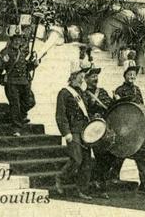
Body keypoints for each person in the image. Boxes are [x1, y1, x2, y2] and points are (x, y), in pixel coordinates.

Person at [54, 61, 93, 200]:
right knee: (76, 159)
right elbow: (60, 115)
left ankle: (82, 190)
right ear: (73, 76)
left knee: (87, 162)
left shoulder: (83, 93)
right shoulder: (64, 93)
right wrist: (66, 133)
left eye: (83, 75)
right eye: (80, 76)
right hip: (73, 131)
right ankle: (60, 177)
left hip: (85, 131)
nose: (83, 78)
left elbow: (88, 111)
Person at [113, 65, 145, 193]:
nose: (132, 77)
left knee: (140, 155)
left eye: (134, 75)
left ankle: (144, 183)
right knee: (120, 153)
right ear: (125, 76)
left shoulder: (137, 90)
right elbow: (117, 108)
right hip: (124, 127)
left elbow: (142, 106)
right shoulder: (119, 90)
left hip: (137, 127)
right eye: (130, 74)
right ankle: (113, 177)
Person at [0, 23, 37, 136]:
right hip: (12, 82)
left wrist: (34, 64)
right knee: (15, 105)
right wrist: (3, 61)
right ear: (11, 40)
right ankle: (16, 128)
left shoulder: (21, 52)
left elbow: (26, 68)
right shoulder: (5, 52)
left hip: (23, 82)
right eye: (15, 39)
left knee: (30, 102)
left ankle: (12, 117)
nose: (18, 42)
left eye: (19, 39)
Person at [83, 66, 115, 196]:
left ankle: (98, 179)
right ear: (86, 79)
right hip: (94, 130)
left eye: (96, 76)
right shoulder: (84, 94)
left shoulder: (103, 92)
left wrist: (115, 99)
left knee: (111, 156)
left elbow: (110, 106)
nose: (95, 79)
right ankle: (101, 187)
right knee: (101, 156)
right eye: (92, 76)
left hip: (106, 128)